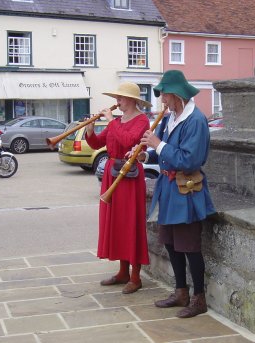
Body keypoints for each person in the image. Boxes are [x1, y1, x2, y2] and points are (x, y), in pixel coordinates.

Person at [139, 70, 216, 318]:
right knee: (171, 243)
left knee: (190, 246)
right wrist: (146, 155)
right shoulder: (170, 117)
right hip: (169, 189)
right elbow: (161, 150)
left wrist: (157, 145)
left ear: (176, 95)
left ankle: (199, 298)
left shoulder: (196, 121)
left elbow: (189, 159)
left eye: (165, 95)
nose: (162, 100)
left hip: (187, 191)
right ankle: (181, 291)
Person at [85, 82, 151, 294]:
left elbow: (128, 140)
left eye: (120, 98)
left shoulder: (142, 120)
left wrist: (111, 121)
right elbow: (98, 144)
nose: (117, 101)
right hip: (112, 174)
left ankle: (135, 276)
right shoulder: (119, 120)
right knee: (117, 223)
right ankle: (123, 272)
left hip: (129, 177)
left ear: (131, 100)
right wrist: (89, 129)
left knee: (131, 223)